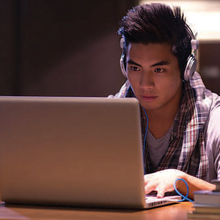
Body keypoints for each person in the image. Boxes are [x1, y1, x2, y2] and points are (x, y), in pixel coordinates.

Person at [110, 3, 220, 199]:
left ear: (187, 69)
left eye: (158, 70)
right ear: (123, 66)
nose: (145, 84)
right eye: (135, 68)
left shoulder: (215, 119)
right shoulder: (107, 116)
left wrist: (182, 181)